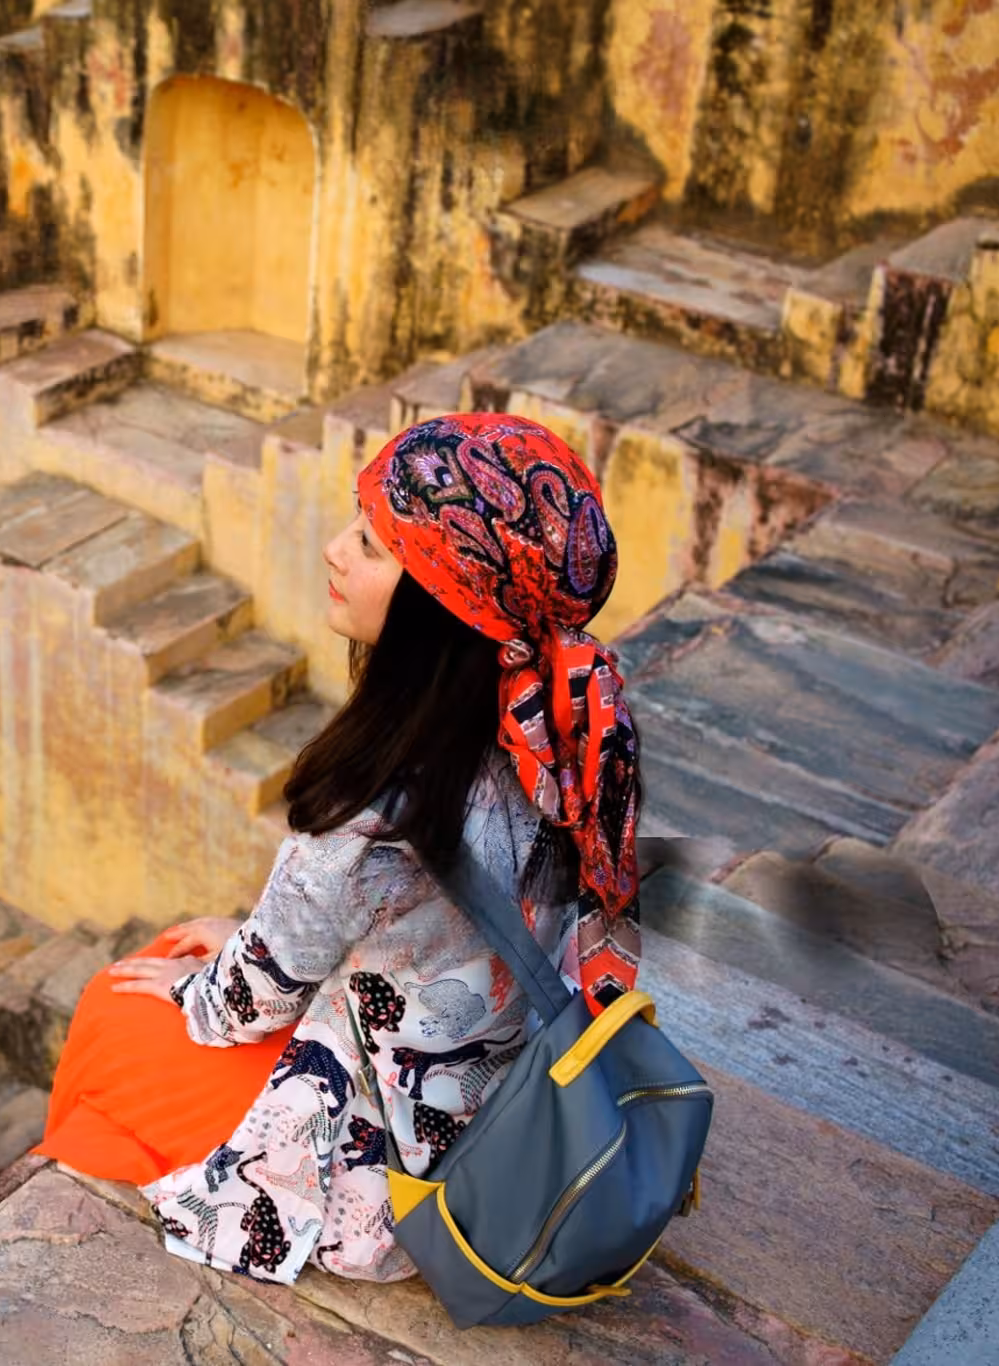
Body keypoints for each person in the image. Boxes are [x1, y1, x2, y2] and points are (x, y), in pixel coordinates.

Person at [36, 412, 643, 1286]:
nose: (334, 550)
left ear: (439, 607)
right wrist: (250, 937)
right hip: (513, 1092)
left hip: (402, 1183)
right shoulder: (570, 739)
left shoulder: (379, 806)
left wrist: (199, 981)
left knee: (115, 1005)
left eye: (369, 543)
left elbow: (237, 1006)